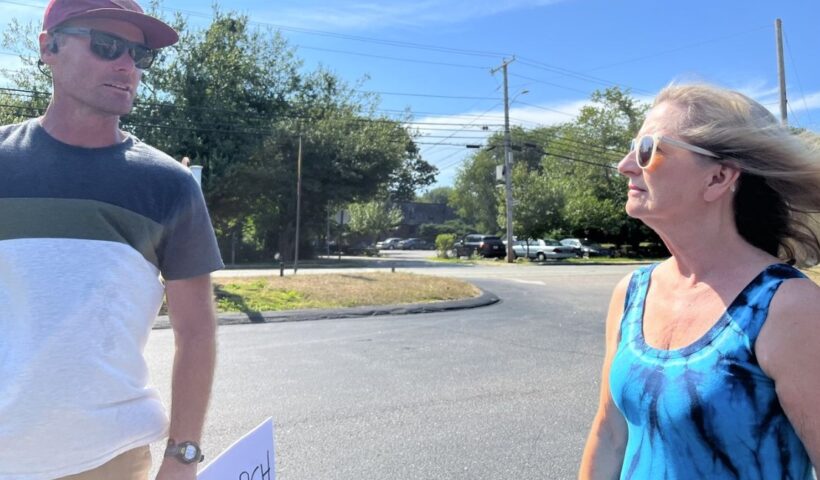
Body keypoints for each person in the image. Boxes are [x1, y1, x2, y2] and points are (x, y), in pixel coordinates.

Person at [0, 1, 224, 479]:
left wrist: (182, 457)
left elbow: (197, 331)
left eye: (140, 55)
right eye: (106, 45)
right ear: (49, 48)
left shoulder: (169, 186)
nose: (127, 65)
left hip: (110, 460)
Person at [579, 84, 820, 479]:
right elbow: (610, 433)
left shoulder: (788, 306)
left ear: (718, 178)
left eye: (648, 150)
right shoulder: (631, 293)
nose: (625, 165)